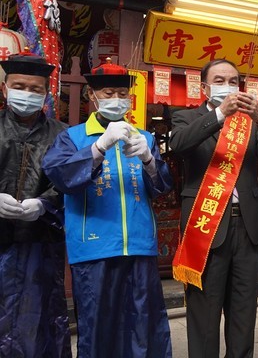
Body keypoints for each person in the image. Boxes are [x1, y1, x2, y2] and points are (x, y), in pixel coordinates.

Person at [42, 59, 173, 357]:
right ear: (93, 96)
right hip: (94, 250)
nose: (116, 100)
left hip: (139, 247)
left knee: (144, 327)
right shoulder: (72, 137)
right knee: (98, 329)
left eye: (121, 94)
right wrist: (98, 148)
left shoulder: (145, 137)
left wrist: (150, 161)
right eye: (109, 93)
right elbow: (60, 177)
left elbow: (163, 187)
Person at [169, 59, 258, 358]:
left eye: (234, 81)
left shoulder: (248, 122)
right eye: (220, 81)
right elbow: (179, 145)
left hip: (247, 228)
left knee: (244, 310)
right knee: (204, 313)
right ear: (205, 87)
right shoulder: (186, 117)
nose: (228, 87)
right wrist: (220, 114)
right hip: (205, 227)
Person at [0, 52, 71, 357]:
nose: (27, 94)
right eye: (20, 86)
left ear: (46, 93)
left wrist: (44, 203)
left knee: (38, 317)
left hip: (40, 244)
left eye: (35, 89)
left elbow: (70, 182)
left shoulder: (62, 134)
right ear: (5, 87)